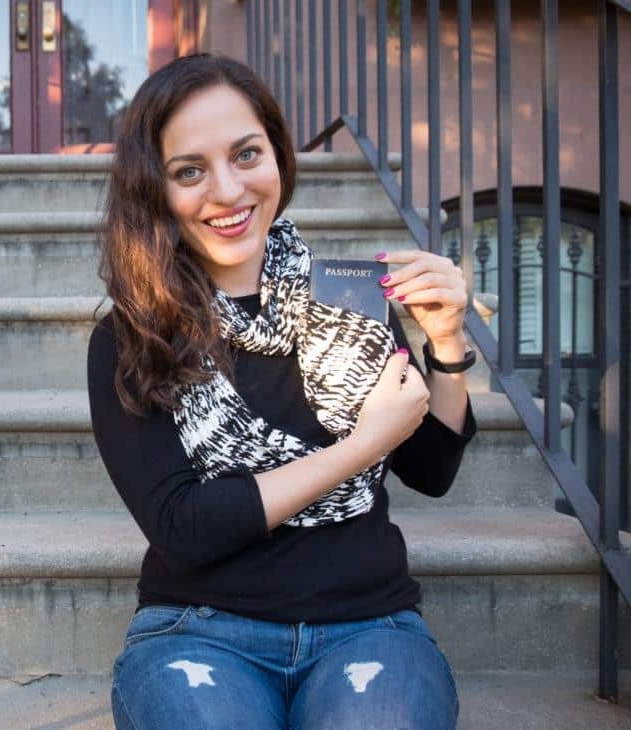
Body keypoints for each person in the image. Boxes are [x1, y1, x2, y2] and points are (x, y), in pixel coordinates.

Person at [87, 54, 477, 730]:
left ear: (278, 155)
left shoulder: (349, 297)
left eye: (246, 155)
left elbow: (432, 468)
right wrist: (360, 449)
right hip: (198, 628)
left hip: (368, 624)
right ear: (154, 188)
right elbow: (184, 528)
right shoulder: (134, 336)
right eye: (189, 171)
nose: (228, 191)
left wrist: (445, 344)